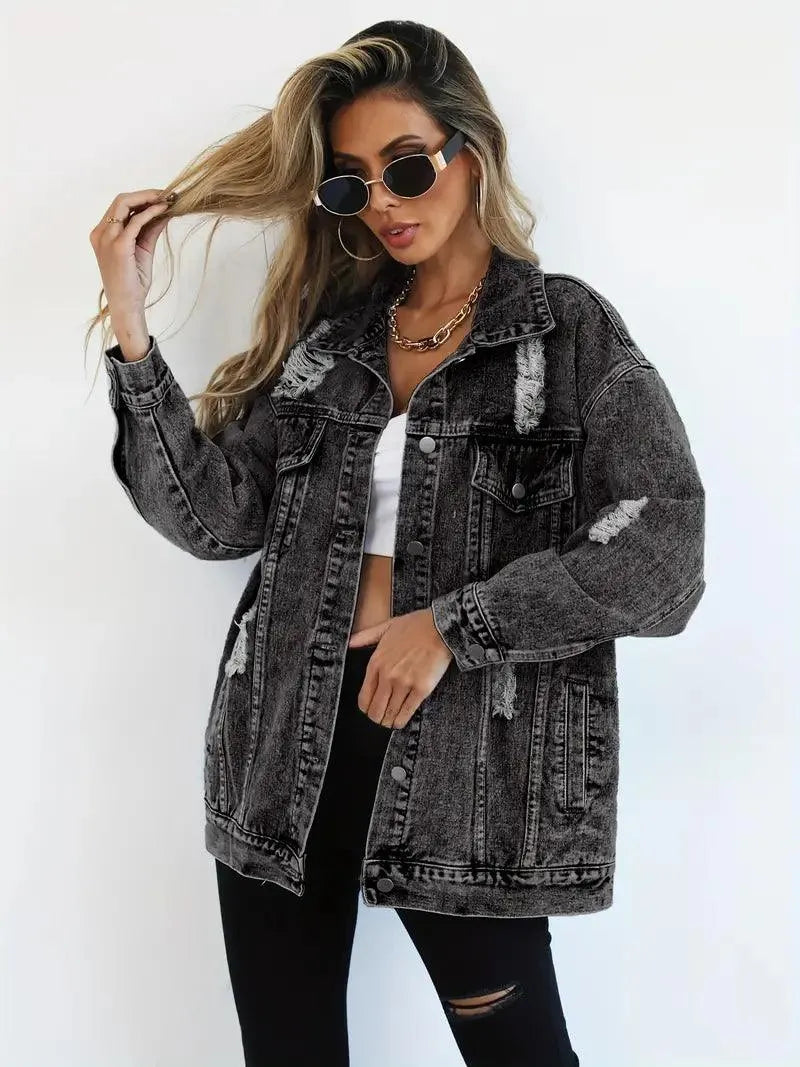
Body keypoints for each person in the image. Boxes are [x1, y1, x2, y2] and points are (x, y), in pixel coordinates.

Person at [88, 19, 705, 1067]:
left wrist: (455, 626)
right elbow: (214, 519)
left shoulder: (566, 335)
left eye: (407, 165)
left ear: (472, 151)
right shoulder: (330, 347)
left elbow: (666, 554)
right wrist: (132, 325)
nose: (382, 200)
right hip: (282, 745)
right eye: (351, 182)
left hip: (471, 761)